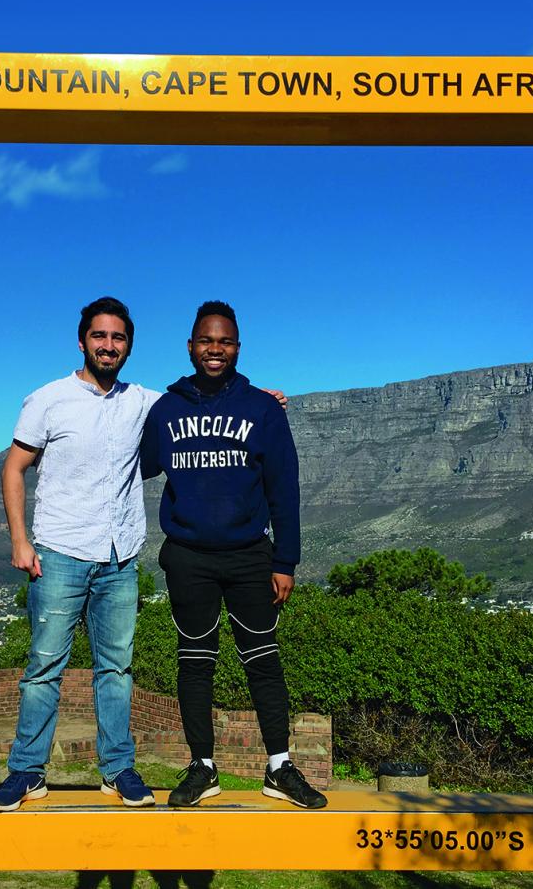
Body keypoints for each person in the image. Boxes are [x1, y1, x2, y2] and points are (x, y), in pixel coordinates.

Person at [140, 301, 327, 810]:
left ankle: (279, 768)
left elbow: (284, 489)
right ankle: (203, 767)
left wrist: (285, 561)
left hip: (250, 557)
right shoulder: (167, 409)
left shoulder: (262, 409)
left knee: (264, 661)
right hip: (188, 558)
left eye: (224, 342)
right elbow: (137, 461)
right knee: (194, 661)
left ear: (237, 348)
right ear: (190, 346)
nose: (214, 349)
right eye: (206, 341)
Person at [0, 296, 158, 811]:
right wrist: (20, 540)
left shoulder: (141, 401)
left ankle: (118, 769)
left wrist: (258, 398)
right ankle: (26, 772)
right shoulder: (48, 399)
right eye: (100, 336)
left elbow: (200, 401)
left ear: (129, 345)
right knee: (43, 667)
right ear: (82, 341)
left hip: (120, 556)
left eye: (119, 337)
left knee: (117, 668)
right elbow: (13, 468)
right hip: (59, 552)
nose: (109, 345)